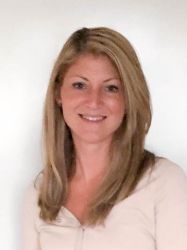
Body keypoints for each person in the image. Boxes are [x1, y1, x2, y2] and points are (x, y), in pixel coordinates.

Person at [23, 27, 187, 250]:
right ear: (58, 93)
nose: (93, 101)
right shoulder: (40, 192)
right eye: (80, 85)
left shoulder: (164, 183)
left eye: (111, 88)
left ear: (128, 98)